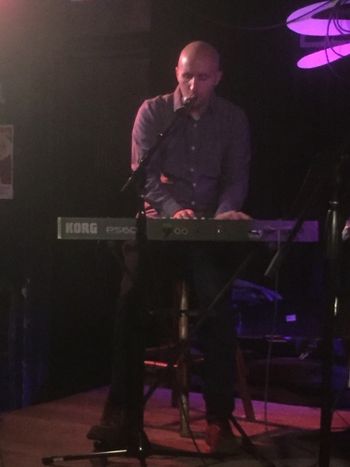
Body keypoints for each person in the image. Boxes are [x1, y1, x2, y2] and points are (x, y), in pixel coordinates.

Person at [87, 40, 251, 455]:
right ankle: (122, 415)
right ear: (176, 73)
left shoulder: (233, 119)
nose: (193, 85)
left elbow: (236, 177)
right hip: (161, 226)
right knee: (129, 299)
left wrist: (225, 214)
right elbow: (143, 176)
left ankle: (218, 421)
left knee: (217, 307)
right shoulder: (154, 112)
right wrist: (174, 208)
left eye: (202, 78)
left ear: (218, 78)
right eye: (186, 76)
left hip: (206, 232)